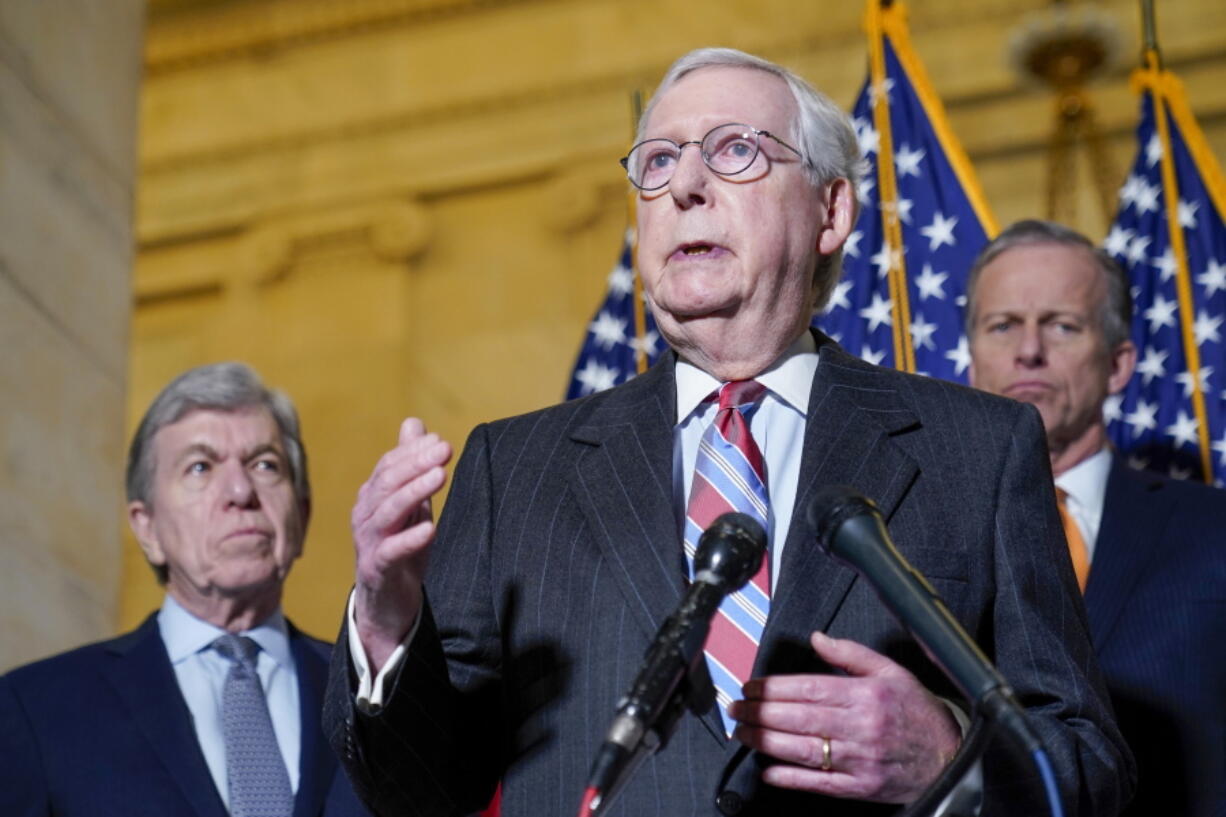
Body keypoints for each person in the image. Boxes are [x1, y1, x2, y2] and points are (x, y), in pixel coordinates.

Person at [324, 49, 1133, 816]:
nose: (685, 187)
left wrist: (951, 752)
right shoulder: (516, 467)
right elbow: (422, 791)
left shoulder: (979, 450)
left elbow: (1089, 765)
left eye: (735, 150)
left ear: (830, 209)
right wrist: (389, 624)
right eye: (658, 162)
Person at [0, 362, 371, 817]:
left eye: (265, 465)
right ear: (147, 527)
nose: (239, 490)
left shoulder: (372, 699)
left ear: (302, 514)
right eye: (200, 467)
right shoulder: (37, 709)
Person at [966, 218, 1226, 817]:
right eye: (1002, 325)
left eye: (1062, 325)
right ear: (973, 361)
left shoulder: (1215, 531)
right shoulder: (904, 539)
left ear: (1118, 365)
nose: (1028, 349)